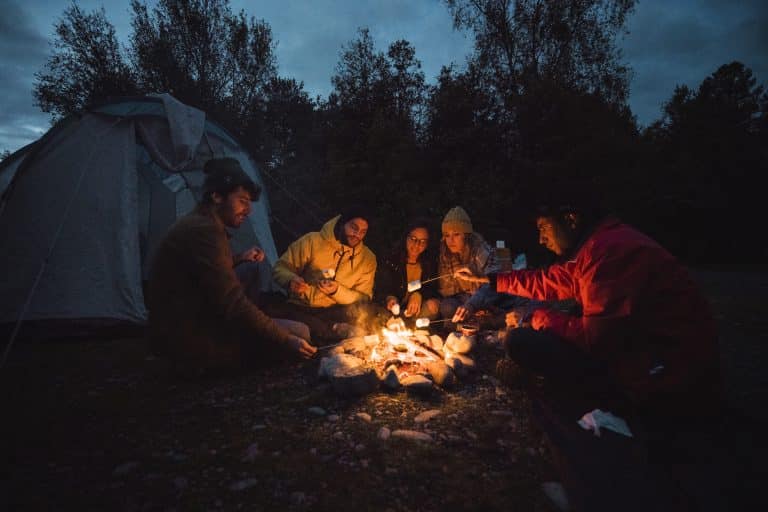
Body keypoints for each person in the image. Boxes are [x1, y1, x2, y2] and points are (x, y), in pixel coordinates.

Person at [454, 199, 722, 511]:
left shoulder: (613, 252)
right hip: (646, 357)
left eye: (543, 228)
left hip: (671, 375)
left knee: (525, 341)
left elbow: (595, 340)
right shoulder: (599, 246)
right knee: (527, 340)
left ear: (569, 218)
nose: (540, 238)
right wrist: (494, 280)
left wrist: (541, 319)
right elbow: (550, 280)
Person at [146, 157, 316, 375]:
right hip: (188, 338)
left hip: (192, 318)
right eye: (242, 201)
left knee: (252, 271)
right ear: (217, 196)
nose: (248, 210)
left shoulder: (203, 222)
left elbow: (205, 271)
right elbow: (233, 302)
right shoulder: (204, 230)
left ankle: (247, 330)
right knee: (299, 333)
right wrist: (285, 340)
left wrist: (240, 257)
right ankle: (213, 357)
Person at [269, 205, 377, 341]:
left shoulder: (368, 258)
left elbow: (363, 298)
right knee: (308, 326)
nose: (357, 235)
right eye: (354, 228)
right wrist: (291, 280)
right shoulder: (313, 241)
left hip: (337, 310)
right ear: (343, 223)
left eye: (363, 232)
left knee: (370, 314)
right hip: (302, 306)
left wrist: (337, 291)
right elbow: (280, 268)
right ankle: (332, 331)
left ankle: (333, 330)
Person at [437, 206, 499, 329]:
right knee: (447, 307)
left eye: (456, 234)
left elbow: (492, 285)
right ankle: (466, 326)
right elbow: (447, 290)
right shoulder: (445, 254)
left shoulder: (481, 250)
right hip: (463, 300)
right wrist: (465, 301)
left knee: (492, 310)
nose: (451, 240)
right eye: (447, 235)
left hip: (484, 299)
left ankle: (475, 326)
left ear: (466, 235)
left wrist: (473, 304)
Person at [374, 218, 440, 326]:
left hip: (414, 312)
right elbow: (380, 289)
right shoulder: (391, 260)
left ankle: (407, 325)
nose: (417, 244)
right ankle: (400, 324)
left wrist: (419, 294)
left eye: (423, 241)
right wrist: (389, 298)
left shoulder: (429, 263)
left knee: (432, 306)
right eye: (413, 239)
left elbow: (433, 288)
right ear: (406, 238)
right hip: (392, 310)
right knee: (380, 314)